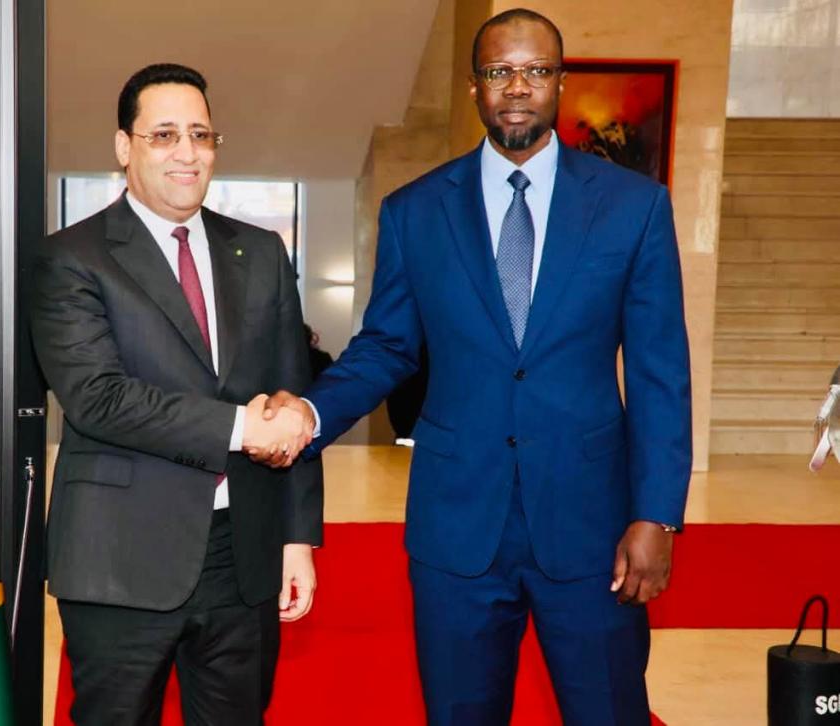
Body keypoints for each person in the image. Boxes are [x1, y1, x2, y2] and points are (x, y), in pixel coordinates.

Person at [260, 9, 691, 725]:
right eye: (499, 71)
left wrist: (657, 516)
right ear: (474, 88)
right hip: (456, 529)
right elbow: (387, 346)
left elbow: (659, 373)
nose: (517, 87)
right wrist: (309, 411)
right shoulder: (414, 212)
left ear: (560, 81)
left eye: (536, 70)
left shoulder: (632, 208)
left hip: (593, 528)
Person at [29, 63, 323, 726]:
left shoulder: (261, 252)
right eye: (163, 135)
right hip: (120, 560)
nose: (186, 152)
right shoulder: (72, 258)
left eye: (200, 134)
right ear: (124, 147)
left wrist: (296, 539)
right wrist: (242, 428)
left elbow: (291, 396)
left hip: (242, 555)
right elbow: (99, 397)